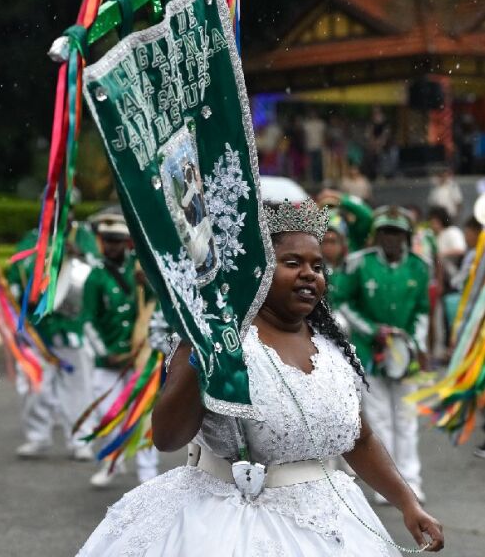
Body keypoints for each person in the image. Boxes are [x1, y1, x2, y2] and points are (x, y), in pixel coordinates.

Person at [78, 200, 444, 555]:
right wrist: (204, 351)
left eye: (317, 266)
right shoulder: (219, 339)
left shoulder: (332, 345)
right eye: (292, 262)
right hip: (224, 526)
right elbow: (167, 437)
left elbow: (359, 440)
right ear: (256, 267)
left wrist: (408, 504)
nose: (309, 273)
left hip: (331, 525)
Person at [342, 206, 431, 503]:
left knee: (406, 419)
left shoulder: (419, 267)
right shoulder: (360, 265)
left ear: (406, 236)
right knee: (379, 420)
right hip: (371, 354)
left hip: (406, 357)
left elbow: (422, 311)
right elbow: (343, 302)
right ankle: (390, 485)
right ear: (377, 235)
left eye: (397, 233)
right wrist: (371, 331)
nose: (391, 239)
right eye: (385, 232)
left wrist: (414, 344)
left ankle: (412, 481)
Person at [8, 216, 100, 461]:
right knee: (35, 386)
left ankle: (81, 440)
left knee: (78, 386)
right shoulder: (31, 238)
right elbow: (16, 273)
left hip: (71, 325)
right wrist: (22, 301)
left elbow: (97, 269)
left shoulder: (82, 237)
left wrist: (79, 254)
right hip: (38, 329)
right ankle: (37, 437)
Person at [82, 214, 158, 487]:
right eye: (107, 241)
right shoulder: (95, 277)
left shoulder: (139, 271)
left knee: (142, 414)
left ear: (127, 243)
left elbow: (157, 308)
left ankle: (147, 472)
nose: (112, 247)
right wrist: (106, 352)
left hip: (140, 358)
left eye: (117, 241)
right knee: (108, 414)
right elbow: (88, 321)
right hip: (108, 362)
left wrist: (148, 283)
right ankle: (111, 464)